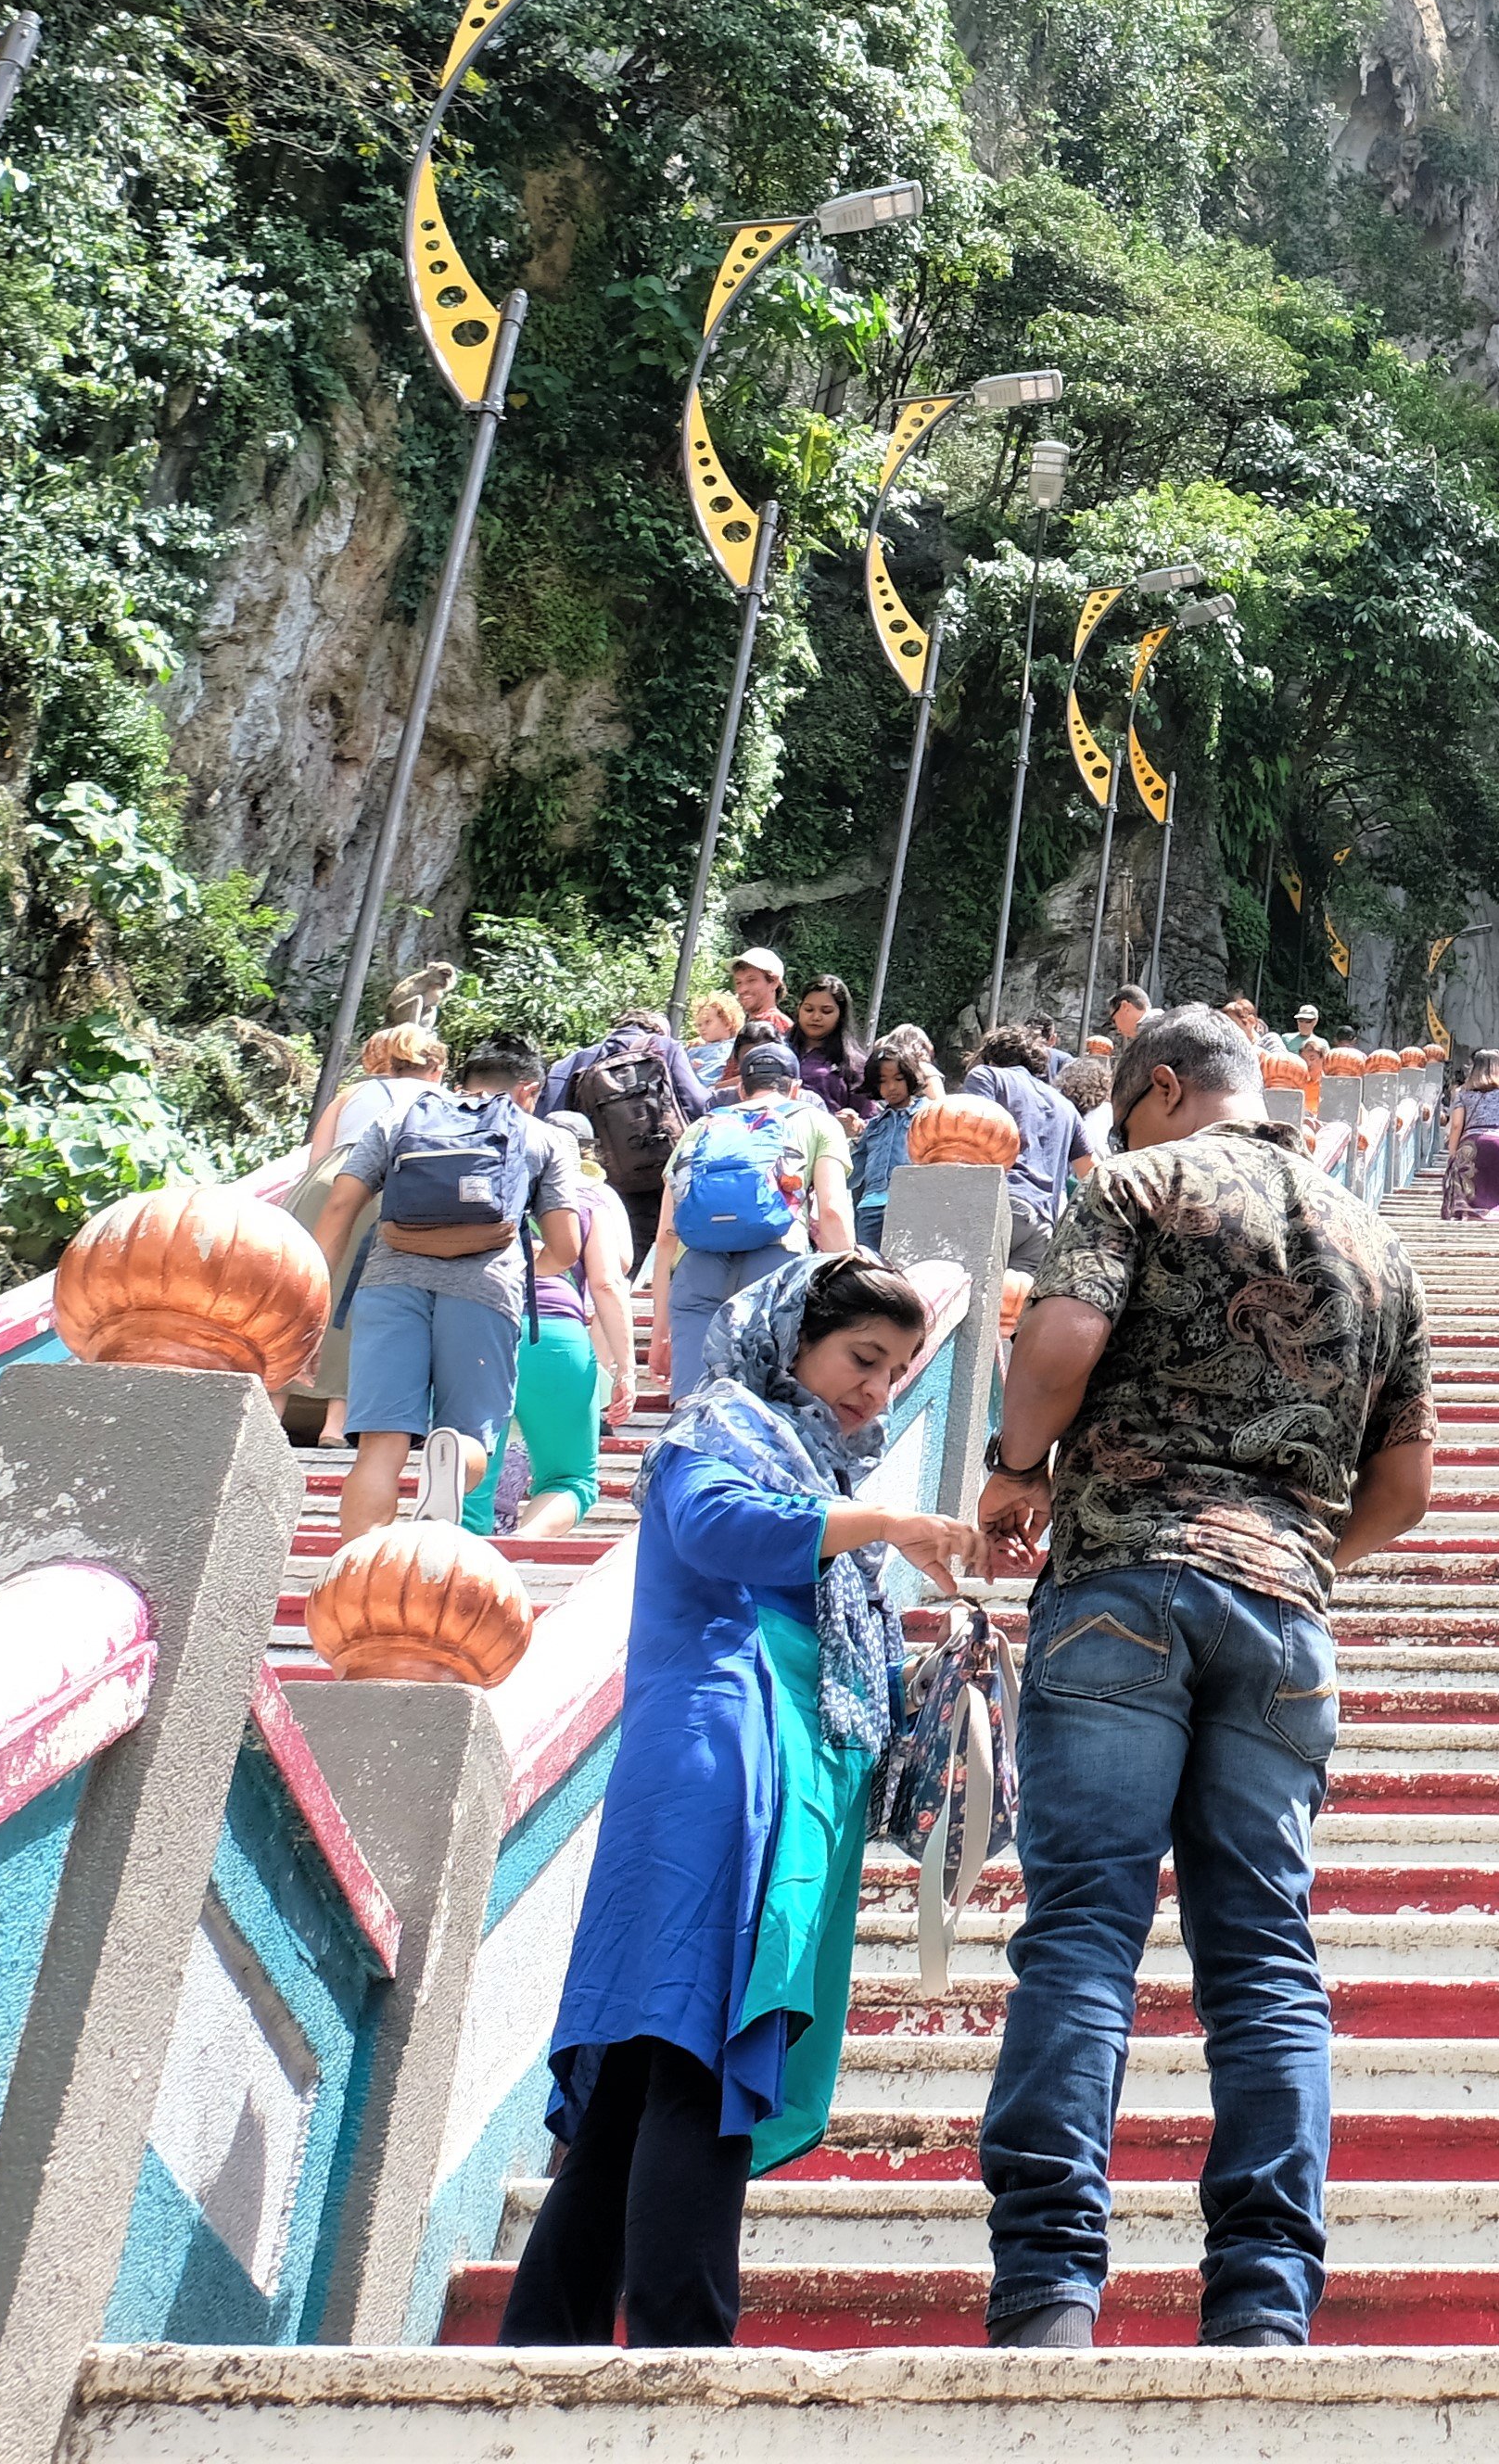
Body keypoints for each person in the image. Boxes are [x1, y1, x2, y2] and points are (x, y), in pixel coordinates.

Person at [971, 1005, 1437, 2353]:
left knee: (1081, 1937)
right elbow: (1410, 1485)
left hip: (1122, 1585)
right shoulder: (1377, 1239)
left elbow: (1057, 1345)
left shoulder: (1138, 1182)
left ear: (1163, 1090)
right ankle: (1264, 2303)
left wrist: (1013, 1471)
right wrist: (1289, 1548)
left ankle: (1052, 2290)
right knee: (1269, 1967)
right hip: (1286, 1619)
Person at [502, 1251, 979, 2347]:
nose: (880, 1389)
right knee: (703, 2046)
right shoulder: (722, 1423)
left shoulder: (823, 1477)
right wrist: (888, 1529)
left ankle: (547, 2338)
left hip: (772, 1763)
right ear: (788, 1337)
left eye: (901, 1370)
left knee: (647, 2065)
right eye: (864, 1357)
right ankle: (685, 2345)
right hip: (725, 1761)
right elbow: (722, 1528)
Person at [304, 1035, 549, 1547]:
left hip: (389, 1282)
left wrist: (314, 1305)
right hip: (484, 1292)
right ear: (531, 1089)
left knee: (380, 1446)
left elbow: (338, 1205)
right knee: (468, 1436)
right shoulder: (540, 1136)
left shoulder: (399, 1122)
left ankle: (355, 1568)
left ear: (460, 1082)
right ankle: (452, 1469)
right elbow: (567, 1245)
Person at [656, 1039, 849, 1408]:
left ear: (740, 1088)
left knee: (693, 1406)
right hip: (775, 1266)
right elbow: (833, 1213)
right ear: (796, 1088)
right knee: (762, 1404)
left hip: (697, 1268)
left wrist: (662, 1329)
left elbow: (667, 1235)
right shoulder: (815, 1121)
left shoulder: (701, 1128)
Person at [476, 1111, 637, 1540]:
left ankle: (467, 1545)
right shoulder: (587, 1200)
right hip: (555, 1337)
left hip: (478, 1331)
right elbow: (608, 1280)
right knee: (571, 1479)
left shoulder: (481, 1191)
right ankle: (519, 1545)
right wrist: (625, 1368)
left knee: (473, 1472)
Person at [546, 1007, 695, 1276]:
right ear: (656, 1030)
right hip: (659, 1172)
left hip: (601, 1179)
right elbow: (695, 1102)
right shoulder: (664, 1047)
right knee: (659, 1248)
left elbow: (549, 1119)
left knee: (607, 1255)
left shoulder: (574, 1061)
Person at [968, 1026, 1084, 1267]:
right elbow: (1091, 1171)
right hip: (1043, 1222)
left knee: (965, 1293)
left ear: (990, 1058)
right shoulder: (1066, 1107)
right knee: (1014, 1301)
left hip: (1001, 1201)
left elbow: (973, 1134)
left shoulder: (987, 1077)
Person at [847, 1026, 942, 1241]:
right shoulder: (873, 1126)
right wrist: (850, 1138)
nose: (891, 1087)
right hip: (869, 1208)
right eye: (882, 1081)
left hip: (911, 1204)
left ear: (910, 1077)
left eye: (898, 1079)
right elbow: (851, 1175)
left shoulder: (928, 1114)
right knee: (871, 1270)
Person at [1441, 1048, 1499, 1222]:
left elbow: (1456, 1125)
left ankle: (1471, 1214)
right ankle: (1497, 1214)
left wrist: (1452, 1154)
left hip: (1472, 1144)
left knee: (1471, 1188)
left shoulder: (1462, 1092)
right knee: (1497, 1188)